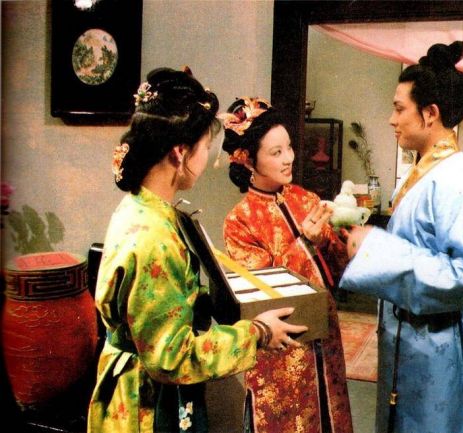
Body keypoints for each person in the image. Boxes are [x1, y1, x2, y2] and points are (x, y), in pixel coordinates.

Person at [87, 68, 306, 433]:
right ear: (180, 152)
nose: (207, 158)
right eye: (205, 147)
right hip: (149, 399)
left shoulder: (143, 206)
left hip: (142, 377)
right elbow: (171, 356)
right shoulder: (154, 237)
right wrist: (257, 332)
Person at [339, 41, 463, 433]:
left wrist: (375, 250)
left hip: (434, 341)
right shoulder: (424, 174)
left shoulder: (461, 180)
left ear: (430, 113)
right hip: (408, 336)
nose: (391, 119)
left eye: (399, 108)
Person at [221, 98, 353, 433]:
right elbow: (265, 290)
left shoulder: (306, 199)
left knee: (331, 413)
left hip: (326, 335)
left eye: (289, 147)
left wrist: (330, 240)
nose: (289, 158)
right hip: (281, 345)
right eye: (276, 152)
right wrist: (303, 243)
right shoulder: (240, 221)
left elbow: (341, 271)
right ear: (248, 159)